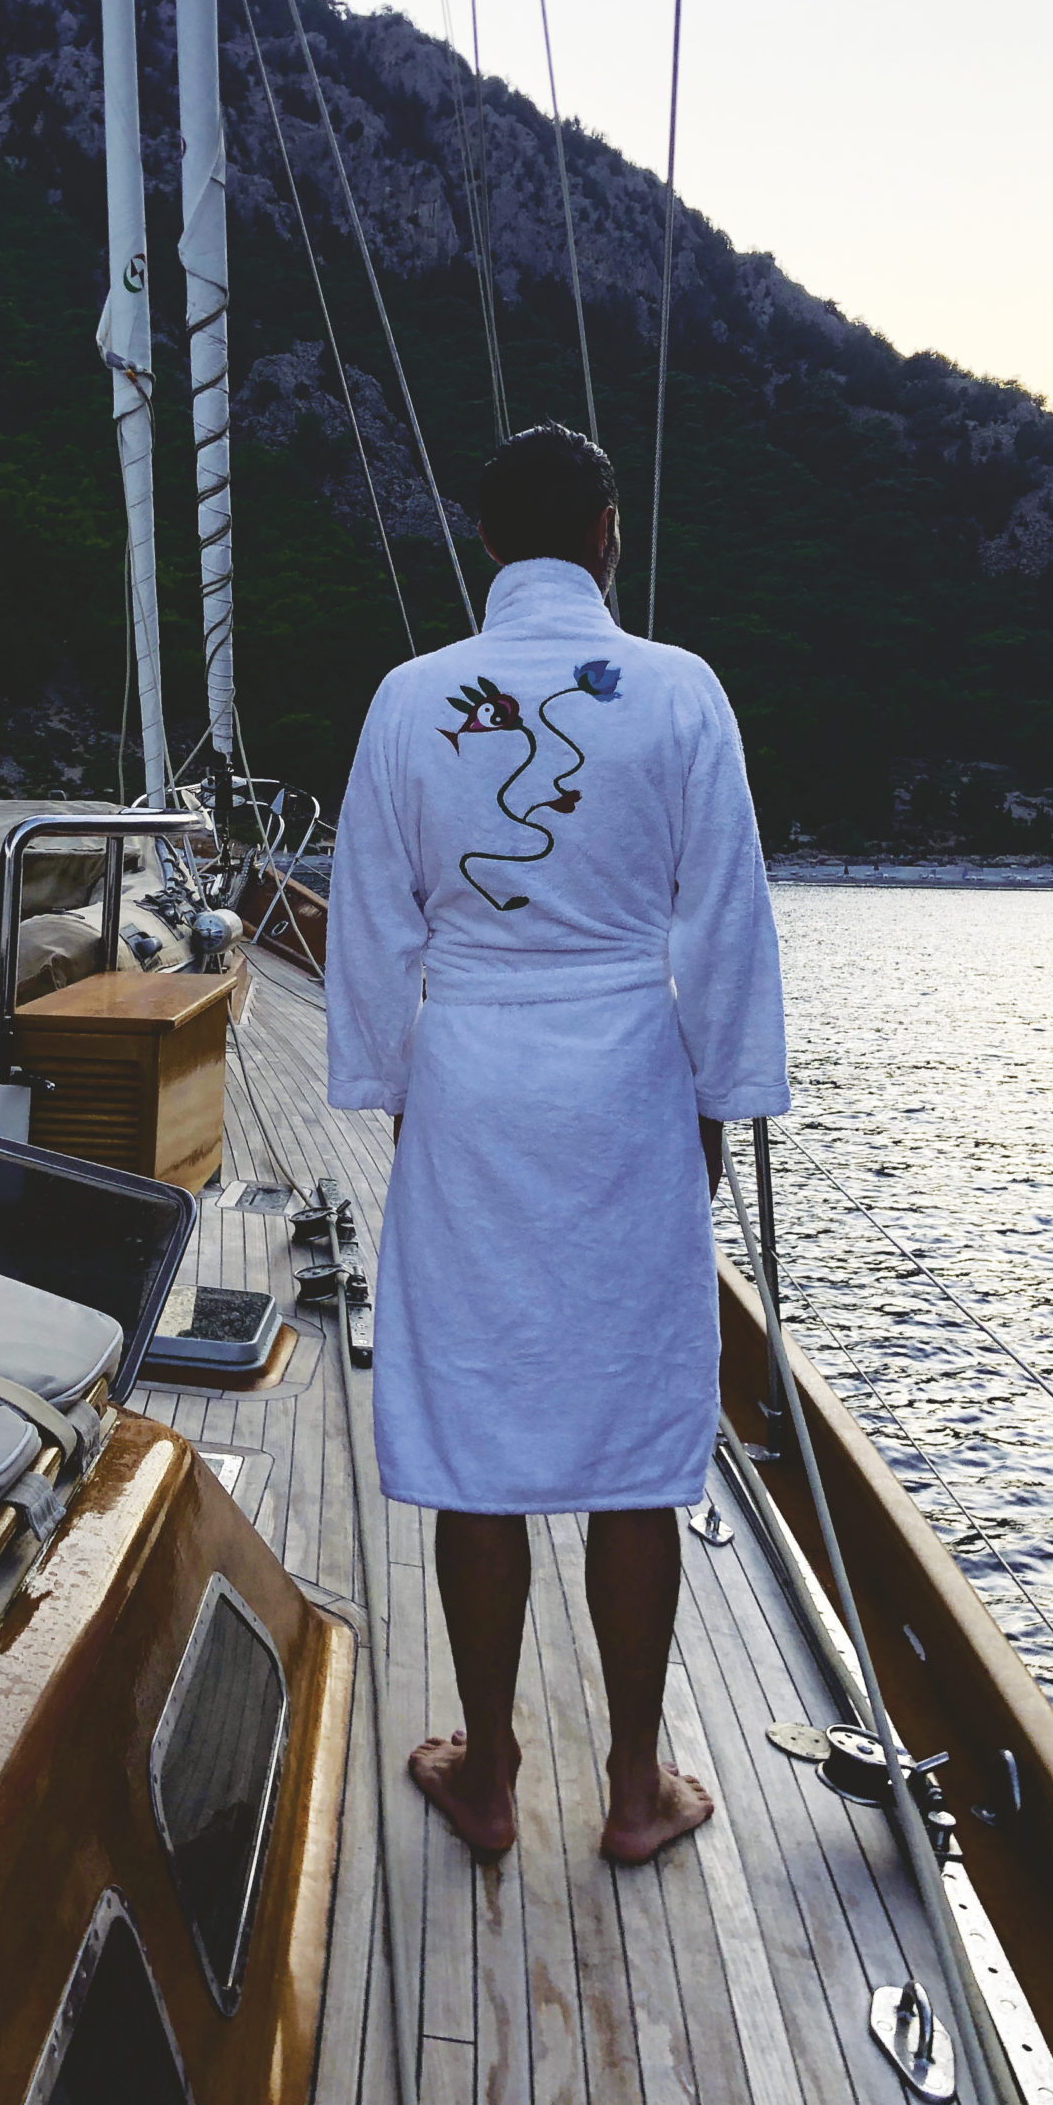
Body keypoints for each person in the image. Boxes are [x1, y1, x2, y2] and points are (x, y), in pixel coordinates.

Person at [325, 423, 789, 1862]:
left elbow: (370, 920)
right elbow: (724, 919)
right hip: (628, 1082)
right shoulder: (682, 691)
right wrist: (719, 1101)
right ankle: (636, 1787)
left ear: (484, 540)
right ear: (606, 535)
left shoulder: (411, 699)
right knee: (638, 1435)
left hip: (472, 1076)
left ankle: (489, 1771)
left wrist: (398, 1087)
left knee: (477, 1426)